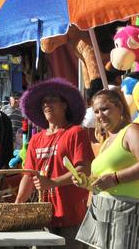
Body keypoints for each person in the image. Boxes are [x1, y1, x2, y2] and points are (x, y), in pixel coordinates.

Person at [73, 89, 139, 249]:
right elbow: (103, 178)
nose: (100, 115)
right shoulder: (108, 140)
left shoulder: (133, 131)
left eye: (105, 109)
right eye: (96, 111)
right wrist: (86, 182)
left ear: (119, 107)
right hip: (107, 211)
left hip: (131, 209)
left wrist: (115, 178)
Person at [14, 78, 94, 248]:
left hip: (71, 216)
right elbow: (29, 175)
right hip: (42, 216)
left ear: (65, 105)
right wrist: (18, 204)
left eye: (52, 100)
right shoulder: (36, 140)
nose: (46, 104)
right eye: (44, 102)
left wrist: (51, 183)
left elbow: (84, 170)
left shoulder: (75, 133)